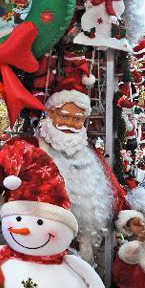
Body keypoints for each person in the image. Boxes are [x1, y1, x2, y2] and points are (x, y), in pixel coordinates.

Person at [29, 61, 128, 264]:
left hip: (83, 249)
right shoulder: (32, 150)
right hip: (39, 242)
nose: (70, 125)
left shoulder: (92, 157)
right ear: (50, 114)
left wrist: (130, 217)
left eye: (78, 119)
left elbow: (116, 193)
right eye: (64, 116)